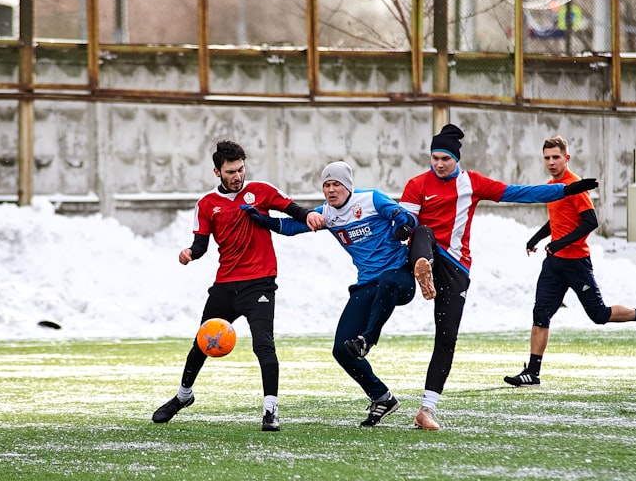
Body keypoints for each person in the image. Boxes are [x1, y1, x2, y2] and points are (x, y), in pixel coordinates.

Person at [399, 123, 599, 430]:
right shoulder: (417, 184)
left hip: (455, 265)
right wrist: (400, 229)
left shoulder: (473, 183)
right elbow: (406, 222)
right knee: (421, 232)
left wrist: (566, 189)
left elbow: (518, 193)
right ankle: (421, 271)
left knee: (447, 337)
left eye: (445, 159)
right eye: (435, 157)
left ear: (457, 160)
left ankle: (427, 409)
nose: (439, 164)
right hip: (424, 253)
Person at [152, 140, 323, 431]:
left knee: (264, 346)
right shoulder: (207, 204)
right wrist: (190, 253)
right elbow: (201, 244)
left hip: (259, 284)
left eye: (241, 169)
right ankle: (183, 396)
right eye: (230, 171)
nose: (237, 176)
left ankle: (271, 410)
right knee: (202, 343)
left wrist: (308, 215)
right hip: (225, 285)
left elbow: (292, 208)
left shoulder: (262, 191)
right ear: (217, 172)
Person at [244, 161, 419, 427]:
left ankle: (368, 339)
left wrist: (402, 224)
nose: (331, 190)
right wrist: (263, 220)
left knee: (387, 280)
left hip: (400, 277)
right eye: (326, 185)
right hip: (367, 285)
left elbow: (405, 216)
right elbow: (294, 227)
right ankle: (382, 397)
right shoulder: (327, 213)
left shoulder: (370, 199)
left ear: (347, 186)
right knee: (341, 350)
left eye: (336, 184)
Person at [505, 135, 636, 387]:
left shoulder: (576, 186)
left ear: (566, 158)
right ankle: (533, 372)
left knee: (599, 315)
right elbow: (557, 219)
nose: (551, 162)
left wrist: (561, 243)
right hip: (553, 264)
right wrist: (536, 237)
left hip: (576, 263)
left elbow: (591, 221)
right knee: (540, 313)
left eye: (556, 157)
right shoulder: (552, 187)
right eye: (547, 158)